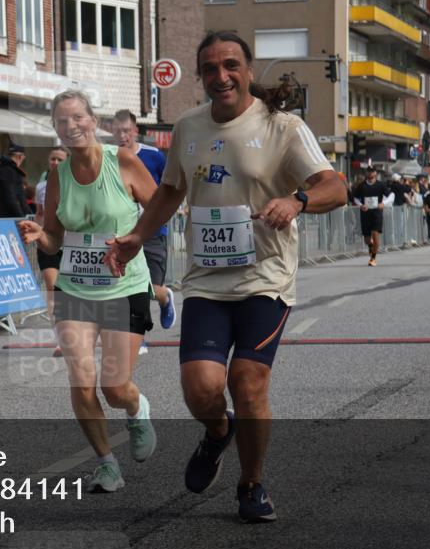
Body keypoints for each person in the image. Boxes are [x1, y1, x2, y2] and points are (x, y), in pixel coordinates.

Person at [105, 32, 347, 522]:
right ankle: (218, 433)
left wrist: (296, 200)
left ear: (248, 69)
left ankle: (251, 484)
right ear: (200, 77)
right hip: (206, 280)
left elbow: (335, 187)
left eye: (231, 65)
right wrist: (135, 236)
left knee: (247, 382)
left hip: (266, 278)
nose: (222, 77)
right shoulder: (189, 127)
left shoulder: (282, 126)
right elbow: (171, 191)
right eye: (211, 69)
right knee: (200, 389)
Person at [18, 89, 159, 493]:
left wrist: (132, 239)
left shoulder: (124, 162)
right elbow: (56, 241)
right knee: (81, 379)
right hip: (75, 288)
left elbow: (161, 210)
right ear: (55, 129)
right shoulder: (58, 177)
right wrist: (39, 234)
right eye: (62, 121)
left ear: (94, 121)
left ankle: (136, 408)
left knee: (115, 387)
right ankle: (106, 463)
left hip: (123, 286)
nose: (71, 126)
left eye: (78, 117)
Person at [113, 109, 178, 354]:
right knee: (128, 285)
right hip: (123, 232)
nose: (122, 135)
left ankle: (164, 297)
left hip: (152, 231)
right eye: (118, 131)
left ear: (135, 131)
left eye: (126, 131)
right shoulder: (109, 157)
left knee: (148, 286)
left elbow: (169, 188)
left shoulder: (154, 156)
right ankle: (136, 336)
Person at [35, 147, 69, 346]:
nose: (55, 163)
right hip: (48, 241)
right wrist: (38, 232)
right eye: (52, 159)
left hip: (71, 243)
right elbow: (39, 213)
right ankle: (59, 335)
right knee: (52, 287)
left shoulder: (75, 184)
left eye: (59, 159)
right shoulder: (41, 186)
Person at [352, 166, 387, 266]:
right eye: (368, 172)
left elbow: (391, 195)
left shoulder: (381, 185)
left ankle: (373, 258)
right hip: (365, 214)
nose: (370, 174)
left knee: (375, 234)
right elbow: (355, 198)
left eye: (372, 172)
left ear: (375, 173)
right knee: (367, 239)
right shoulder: (362, 186)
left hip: (377, 213)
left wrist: (383, 203)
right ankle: (370, 246)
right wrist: (361, 205)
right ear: (366, 173)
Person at [0, 144, 30, 218]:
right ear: (20, 156)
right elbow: (11, 197)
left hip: (4, 215)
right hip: (13, 218)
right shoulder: (11, 171)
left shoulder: (1, 169)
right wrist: (22, 217)